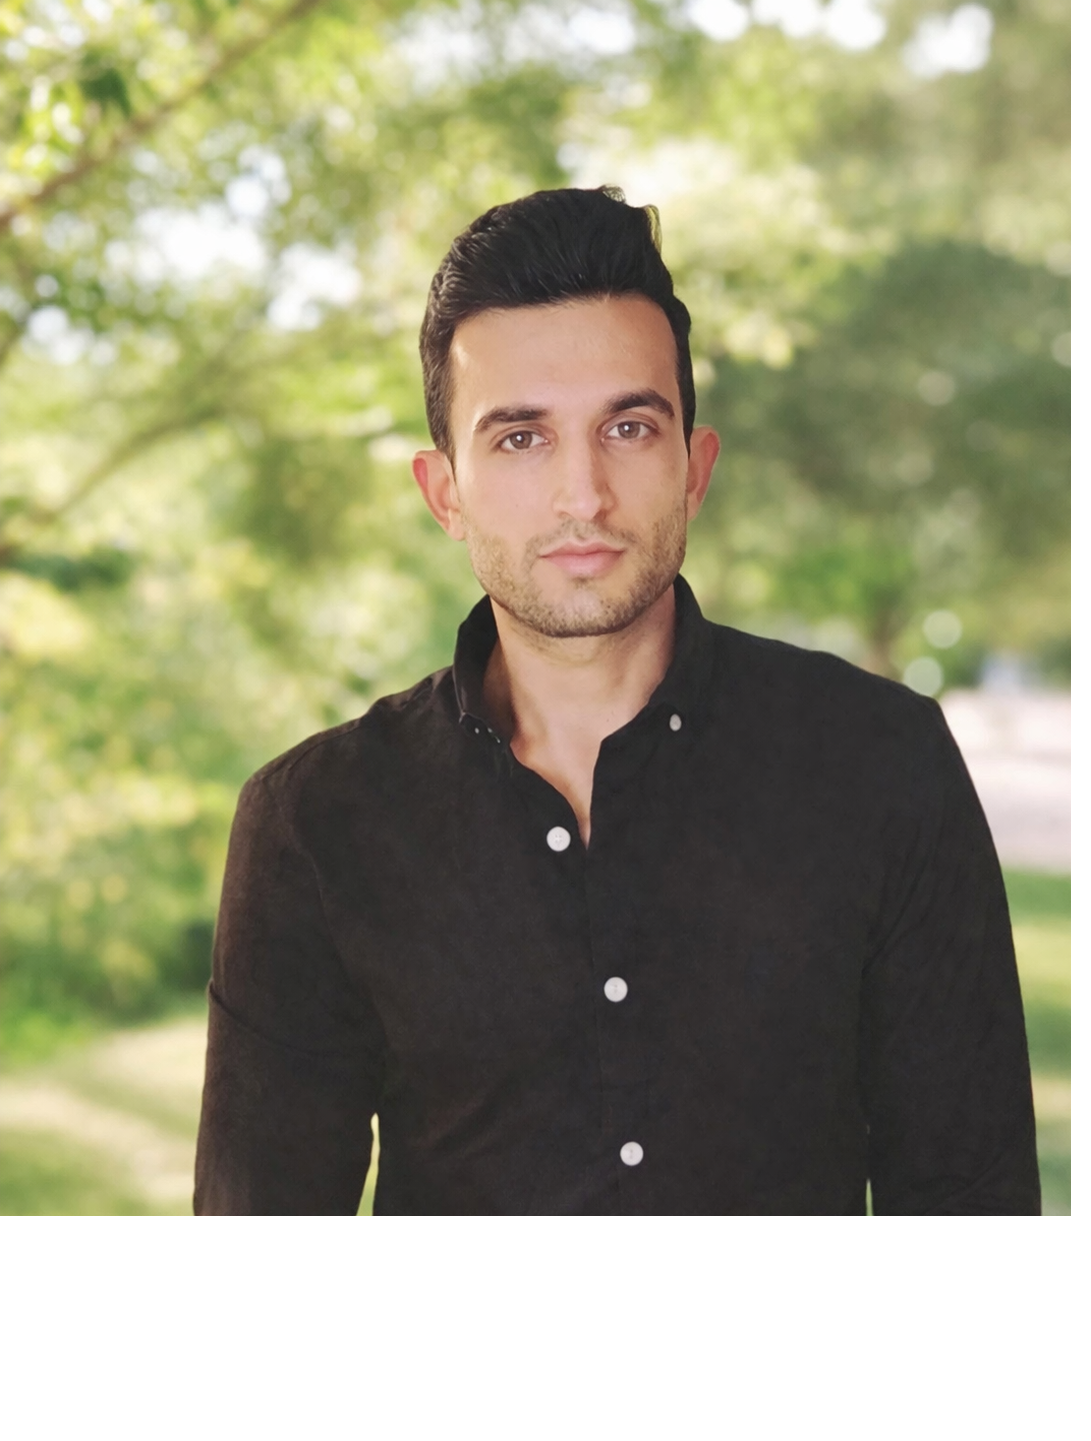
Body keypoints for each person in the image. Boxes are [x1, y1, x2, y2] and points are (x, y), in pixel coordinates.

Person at [194, 186, 1040, 1215]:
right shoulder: (314, 821)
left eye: (628, 427)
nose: (583, 495)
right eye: (520, 437)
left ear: (694, 468)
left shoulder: (882, 764)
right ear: (443, 492)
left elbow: (971, 1212)